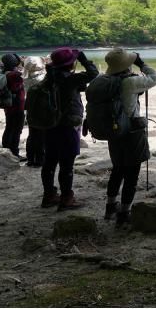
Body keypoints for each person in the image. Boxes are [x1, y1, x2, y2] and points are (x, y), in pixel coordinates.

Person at [100, 48, 156, 227]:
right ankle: (124, 213)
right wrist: (141, 64)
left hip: (114, 131)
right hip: (132, 132)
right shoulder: (131, 82)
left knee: (117, 169)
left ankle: (110, 206)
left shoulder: (105, 81)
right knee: (132, 174)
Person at [40, 48, 98, 210]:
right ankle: (66, 199)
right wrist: (84, 60)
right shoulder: (69, 79)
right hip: (67, 125)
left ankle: (49, 195)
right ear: (70, 64)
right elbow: (94, 74)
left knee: (50, 161)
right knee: (66, 164)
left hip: (49, 124)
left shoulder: (50, 76)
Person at [0, 53, 26, 159]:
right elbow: (26, 75)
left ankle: (6, 151)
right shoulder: (15, 75)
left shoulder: (3, 73)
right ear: (15, 62)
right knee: (16, 130)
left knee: (9, 128)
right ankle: (14, 153)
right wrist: (23, 63)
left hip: (8, 106)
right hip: (17, 106)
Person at [22, 56, 47, 167]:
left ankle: (30, 159)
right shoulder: (43, 78)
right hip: (42, 109)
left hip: (31, 109)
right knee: (41, 135)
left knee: (32, 135)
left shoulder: (25, 79)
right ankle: (40, 160)